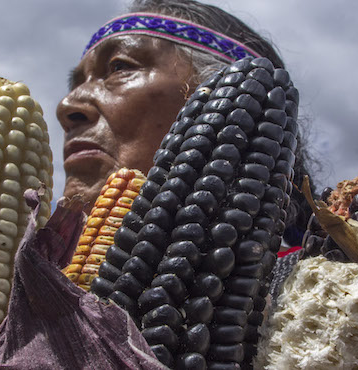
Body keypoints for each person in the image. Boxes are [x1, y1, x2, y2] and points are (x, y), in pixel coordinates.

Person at [56, 0, 315, 242]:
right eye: (76, 84)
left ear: (229, 101)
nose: (66, 106)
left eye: (119, 67)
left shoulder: (327, 286)